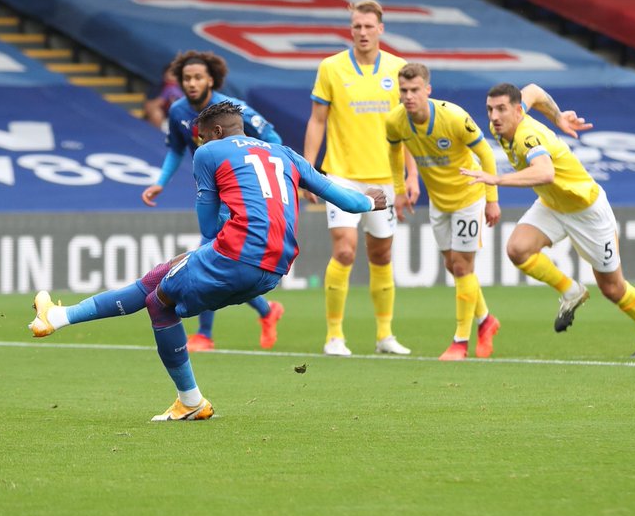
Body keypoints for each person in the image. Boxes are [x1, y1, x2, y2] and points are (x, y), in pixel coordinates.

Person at [30, 102, 389, 421]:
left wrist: (226, 215)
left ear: (215, 133)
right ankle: (58, 318)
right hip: (274, 268)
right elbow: (348, 202)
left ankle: (190, 401)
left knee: (159, 304)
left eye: (201, 139)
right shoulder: (287, 154)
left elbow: (206, 225)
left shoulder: (210, 152)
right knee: (160, 275)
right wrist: (371, 201)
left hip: (236, 254)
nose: (199, 146)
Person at [460, 83, 635, 357]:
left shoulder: (526, 136)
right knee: (518, 249)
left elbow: (545, 172)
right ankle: (571, 291)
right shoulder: (505, 123)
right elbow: (533, 91)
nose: (494, 116)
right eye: (490, 109)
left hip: (587, 210)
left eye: (501, 109)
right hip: (553, 204)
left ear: (516, 111)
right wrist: (557, 116)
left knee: (612, 287)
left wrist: (497, 179)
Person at [140, 50, 284, 352]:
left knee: (209, 258)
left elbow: (274, 140)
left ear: (211, 80)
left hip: (239, 196)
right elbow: (176, 150)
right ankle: (267, 311)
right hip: (211, 194)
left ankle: (205, 334)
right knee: (221, 261)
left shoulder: (234, 110)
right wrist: (159, 183)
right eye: (186, 78)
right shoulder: (179, 112)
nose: (191, 83)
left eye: (197, 78)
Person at [305, 0, 420, 357]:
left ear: (381, 29)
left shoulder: (399, 69)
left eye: (369, 26)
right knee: (343, 249)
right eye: (357, 26)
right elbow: (317, 120)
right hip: (341, 176)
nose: (363, 32)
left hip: (385, 178)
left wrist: (412, 173)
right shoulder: (331, 68)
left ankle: (385, 335)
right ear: (350, 29)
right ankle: (334, 336)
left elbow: (409, 126)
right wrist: (308, 171)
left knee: (382, 255)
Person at [386, 63, 502, 360]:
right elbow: (393, 151)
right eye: (404, 90)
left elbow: (485, 154)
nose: (409, 96)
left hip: (469, 197)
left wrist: (492, 198)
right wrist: (399, 190)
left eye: (414, 90)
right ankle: (486, 320)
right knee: (453, 266)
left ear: (428, 90)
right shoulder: (396, 121)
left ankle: (460, 342)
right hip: (440, 201)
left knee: (463, 267)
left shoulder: (454, 117)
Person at [142, 63, 182, 130]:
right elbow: (147, 107)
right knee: (157, 114)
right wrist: (162, 98)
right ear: (165, 75)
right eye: (172, 73)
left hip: (175, 123)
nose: (175, 77)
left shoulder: (183, 90)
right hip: (161, 121)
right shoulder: (157, 87)